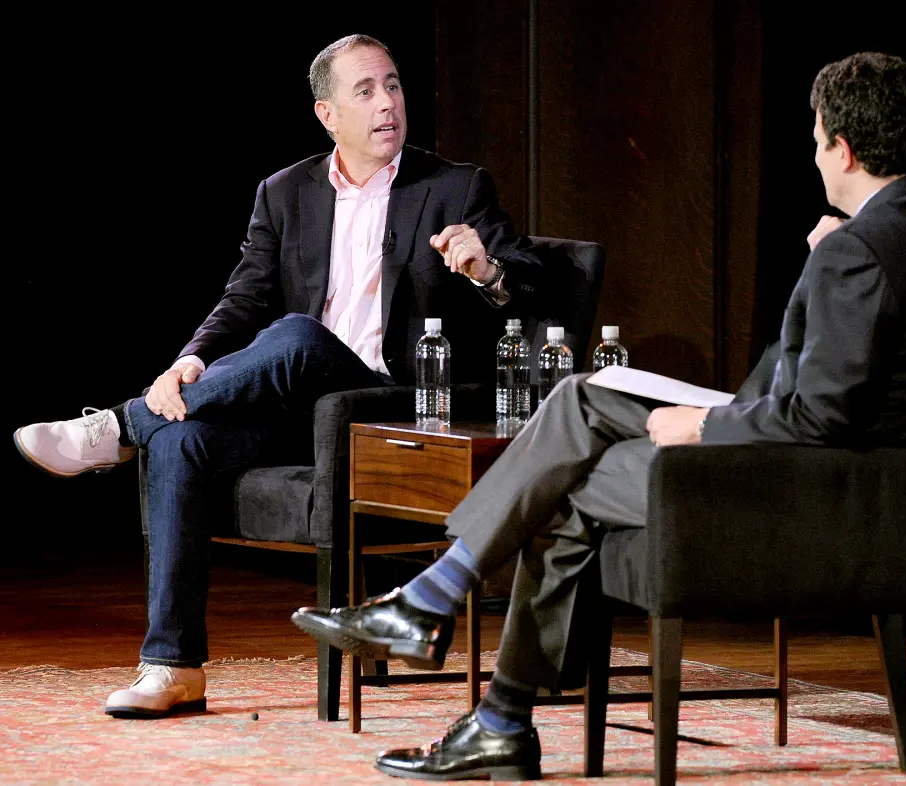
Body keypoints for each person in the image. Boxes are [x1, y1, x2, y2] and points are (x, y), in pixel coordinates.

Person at [292, 51, 906, 781]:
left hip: (820, 492)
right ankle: (477, 679)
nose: (816, 157)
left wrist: (704, 427)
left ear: (842, 150)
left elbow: (819, 416)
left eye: (817, 141)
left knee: (569, 482)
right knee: (586, 400)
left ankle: (455, 637)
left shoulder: (857, 253)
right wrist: (840, 245)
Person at [13, 34, 545, 719]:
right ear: (329, 115)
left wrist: (485, 268)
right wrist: (189, 361)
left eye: (394, 85)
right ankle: (173, 665)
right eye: (366, 91)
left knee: (295, 337)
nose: (388, 102)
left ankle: (119, 426)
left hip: (389, 404)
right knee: (181, 439)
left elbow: (534, 290)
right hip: (297, 409)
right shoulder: (286, 191)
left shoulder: (454, 187)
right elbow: (243, 298)